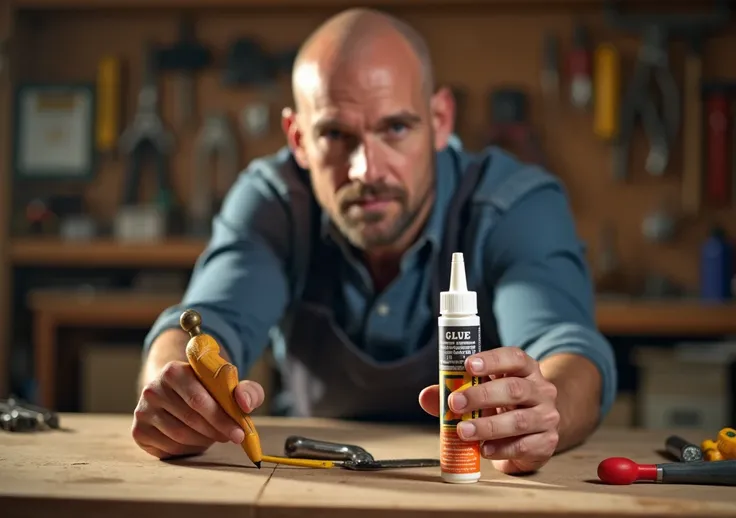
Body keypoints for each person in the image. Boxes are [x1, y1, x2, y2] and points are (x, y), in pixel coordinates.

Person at [131, 7, 617, 475]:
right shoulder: (272, 202)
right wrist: (176, 389)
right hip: (307, 482)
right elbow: (204, 323)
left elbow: (568, 350)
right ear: (297, 138)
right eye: (336, 135)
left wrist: (542, 409)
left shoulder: (516, 205)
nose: (366, 170)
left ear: (441, 119)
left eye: (396, 128)